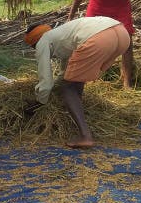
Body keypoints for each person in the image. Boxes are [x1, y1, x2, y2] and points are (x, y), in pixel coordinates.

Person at [24, 17, 130, 149]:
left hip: (99, 37)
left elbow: (46, 81)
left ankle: (85, 137)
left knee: (68, 88)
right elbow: (66, 72)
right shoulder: (62, 35)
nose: (35, 49)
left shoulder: (42, 42)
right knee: (76, 80)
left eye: (33, 47)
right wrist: (57, 87)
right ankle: (77, 112)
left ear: (34, 42)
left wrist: (39, 102)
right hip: (121, 33)